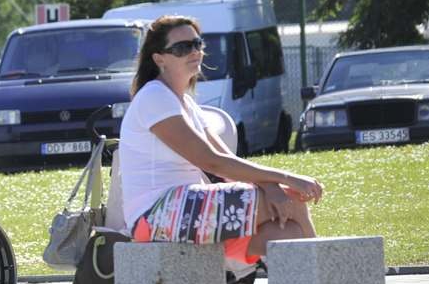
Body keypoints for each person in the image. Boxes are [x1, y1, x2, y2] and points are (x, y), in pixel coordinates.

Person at [119, 15, 323, 265]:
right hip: (154, 215)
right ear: (159, 59)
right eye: (182, 48)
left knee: (288, 231)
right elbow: (212, 162)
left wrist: (271, 187)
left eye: (197, 44)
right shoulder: (154, 97)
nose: (194, 52)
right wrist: (287, 178)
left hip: (186, 208)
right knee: (292, 200)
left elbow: (228, 161)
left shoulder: (186, 103)